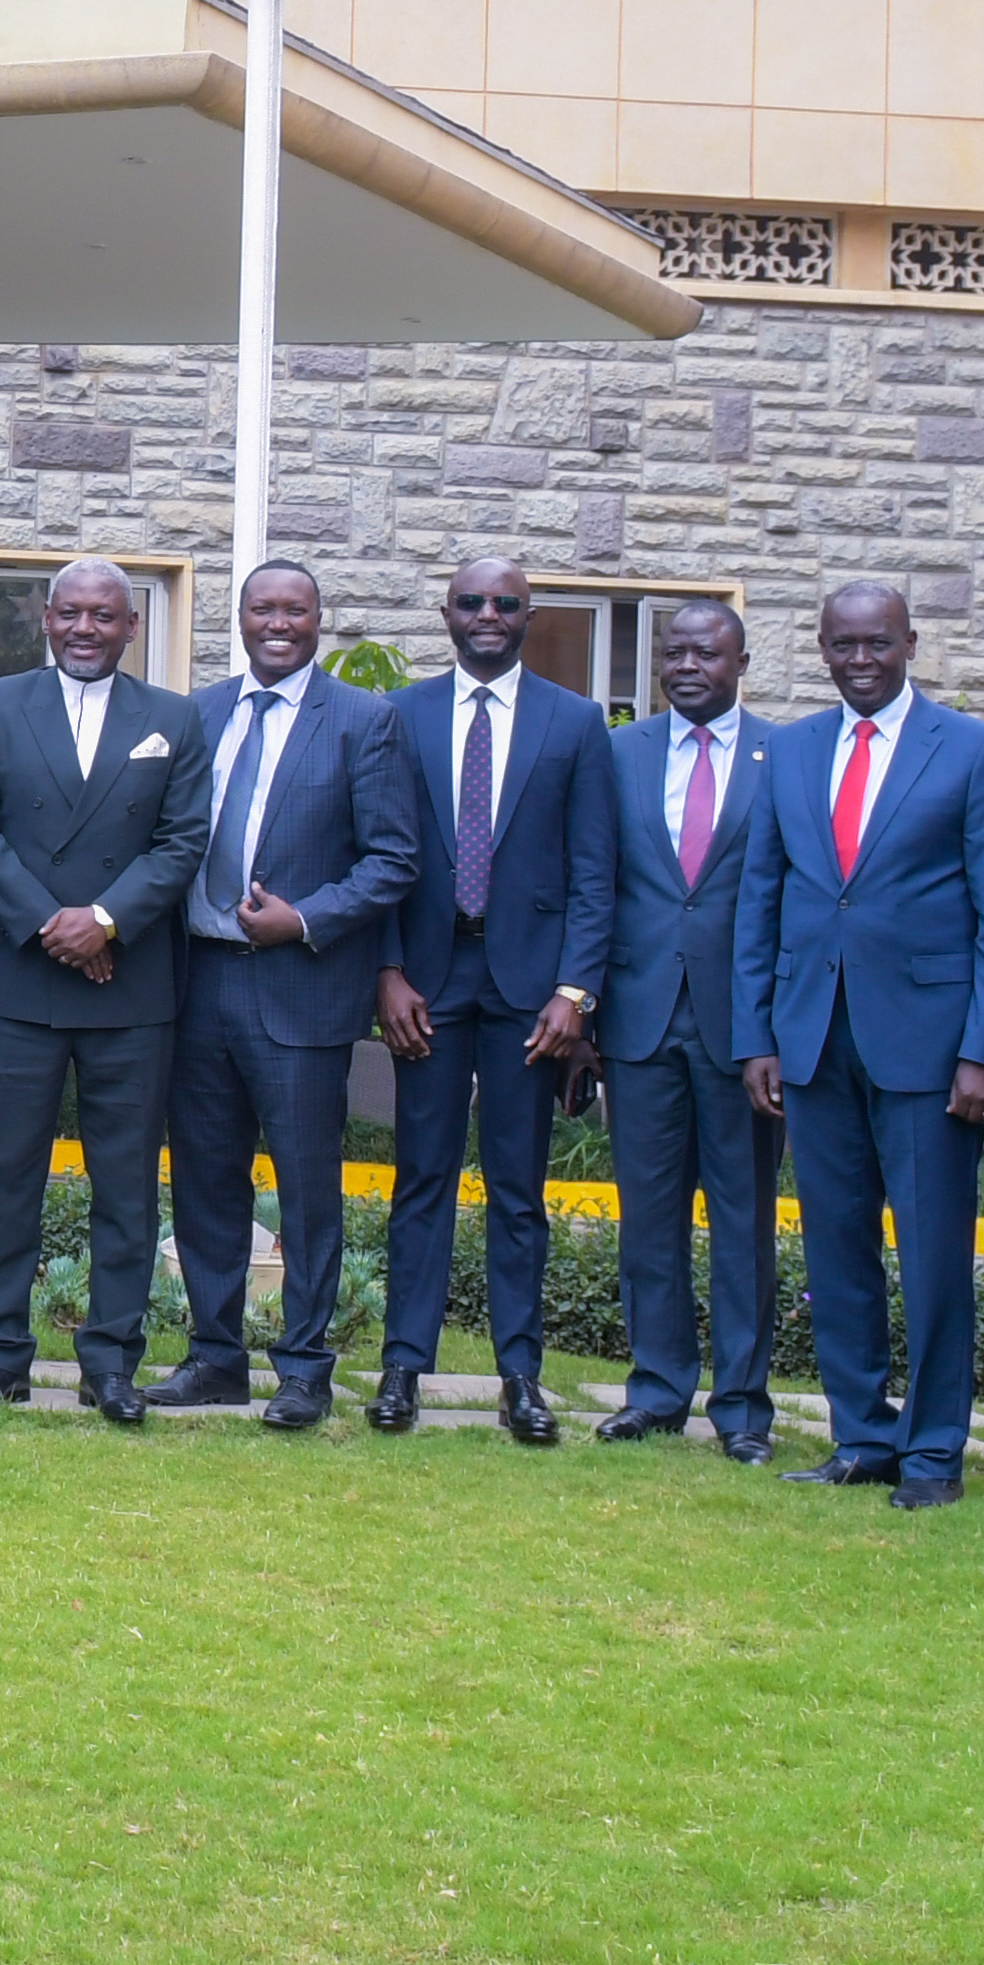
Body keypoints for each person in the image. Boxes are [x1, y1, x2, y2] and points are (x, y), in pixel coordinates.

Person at [737, 581, 984, 1510]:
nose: (859, 660)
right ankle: (861, 1436)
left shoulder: (974, 750)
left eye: (877, 643)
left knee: (934, 1255)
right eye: (842, 645)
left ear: (911, 644)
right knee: (836, 1249)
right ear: (820, 648)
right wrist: (758, 1035)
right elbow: (763, 900)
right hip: (814, 1041)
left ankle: (936, 1448)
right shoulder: (790, 751)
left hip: (931, 1051)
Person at [0, 557, 210, 1415]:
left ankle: (112, 1363)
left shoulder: (174, 718)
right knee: (4, 1177)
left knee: (124, 1183)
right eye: (70, 614)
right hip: (21, 981)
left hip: (131, 989)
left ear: (132, 627)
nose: (85, 629)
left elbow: (181, 839)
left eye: (105, 616)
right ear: (44, 619)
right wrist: (56, 925)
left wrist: (107, 922)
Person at [366, 556, 619, 1445]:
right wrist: (386, 972)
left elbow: (596, 873)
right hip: (427, 983)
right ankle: (402, 1367)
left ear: (527, 616)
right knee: (421, 1179)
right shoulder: (401, 716)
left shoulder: (576, 722)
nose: (487, 614)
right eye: (471, 602)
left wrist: (575, 993)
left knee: (519, 1189)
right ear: (446, 612)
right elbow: (382, 860)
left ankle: (522, 1376)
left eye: (504, 604)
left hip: (530, 994)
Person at [169, 560, 423, 1427]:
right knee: (205, 1179)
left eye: (296, 610)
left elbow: (393, 859)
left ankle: (306, 1368)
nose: (278, 623)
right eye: (262, 609)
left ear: (320, 620)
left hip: (300, 983)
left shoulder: (363, 720)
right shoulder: (199, 714)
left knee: (307, 1186)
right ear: (238, 618)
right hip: (197, 978)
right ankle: (214, 1357)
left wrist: (305, 919)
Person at [597, 602, 782, 1455]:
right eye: (673, 653)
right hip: (638, 1025)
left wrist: (770, 1032)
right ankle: (658, 1389)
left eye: (708, 652)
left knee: (741, 1221)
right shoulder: (620, 753)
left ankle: (742, 1408)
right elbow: (594, 885)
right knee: (650, 1219)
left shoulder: (783, 756)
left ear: (742, 661)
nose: (688, 665)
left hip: (741, 1034)